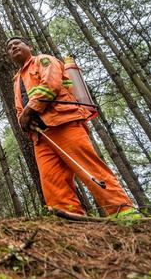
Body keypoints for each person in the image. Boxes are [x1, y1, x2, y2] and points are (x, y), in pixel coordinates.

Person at [7, 36, 137, 217]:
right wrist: (25, 121)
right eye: (9, 47)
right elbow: (20, 109)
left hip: (64, 122)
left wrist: (30, 110)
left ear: (29, 46)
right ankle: (70, 219)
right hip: (40, 136)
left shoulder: (44, 60)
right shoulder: (17, 79)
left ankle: (123, 212)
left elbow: (51, 84)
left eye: (17, 44)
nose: (13, 47)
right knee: (52, 180)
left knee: (89, 167)